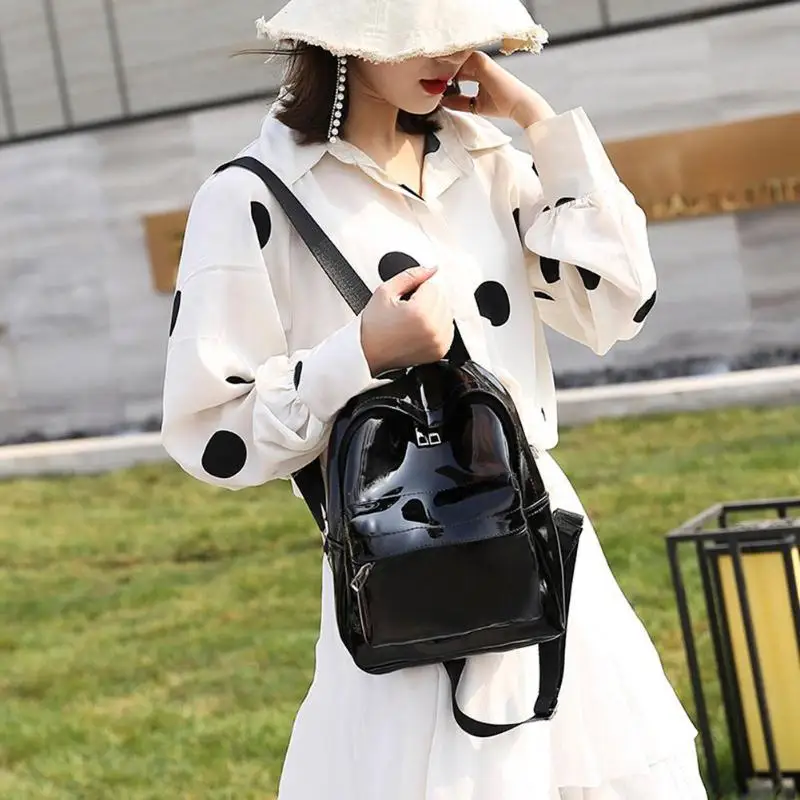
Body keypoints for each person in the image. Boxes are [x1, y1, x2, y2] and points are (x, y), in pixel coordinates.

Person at [161, 0, 707, 797]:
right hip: (401, 562)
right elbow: (213, 430)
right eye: (425, 33)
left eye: (464, 32)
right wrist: (360, 354)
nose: (451, 53)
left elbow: (615, 303)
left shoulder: (484, 162)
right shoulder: (253, 196)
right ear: (350, 34)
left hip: (541, 544)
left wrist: (539, 123)